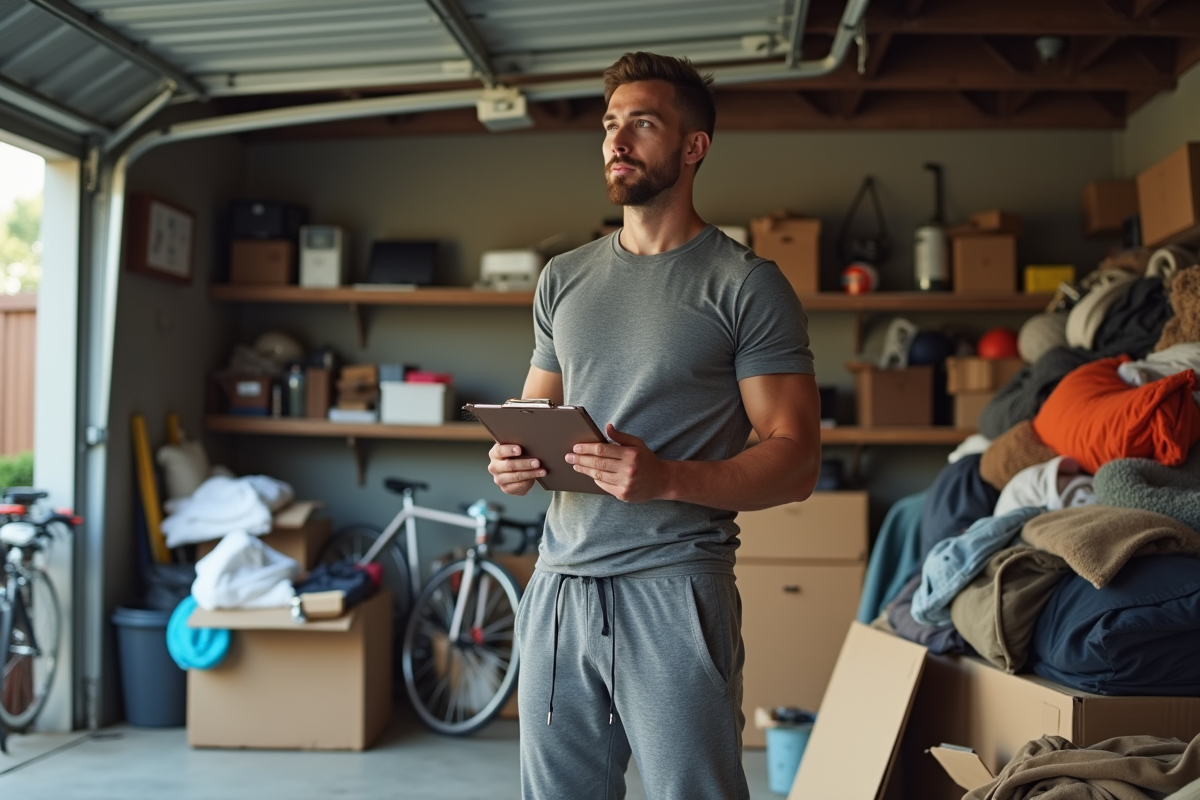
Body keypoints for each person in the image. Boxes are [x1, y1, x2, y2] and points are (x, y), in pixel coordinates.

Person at [487, 51, 821, 800]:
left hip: (675, 589)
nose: (617, 139)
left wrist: (666, 477)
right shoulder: (563, 278)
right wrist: (512, 461)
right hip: (561, 586)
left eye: (641, 123)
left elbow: (798, 460)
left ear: (694, 146)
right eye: (610, 124)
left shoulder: (746, 285)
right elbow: (533, 417)